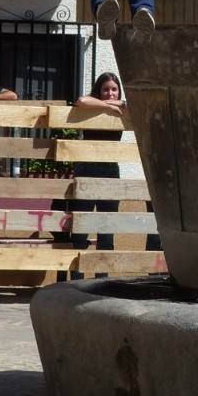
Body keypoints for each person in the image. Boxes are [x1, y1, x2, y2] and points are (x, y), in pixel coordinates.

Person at [68, 73, 127, 263]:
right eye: (106, 89)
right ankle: (75, 283)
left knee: (106, 231)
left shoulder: (123, 107)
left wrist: (117, 104)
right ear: (99, 91)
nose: (110, 93)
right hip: (86, 169)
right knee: (80, 230)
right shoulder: (93, 106)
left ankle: (102, 280)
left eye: (114, 89)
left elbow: (134, 106)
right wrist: (108, 105)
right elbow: (81, 100)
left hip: (110, 171)